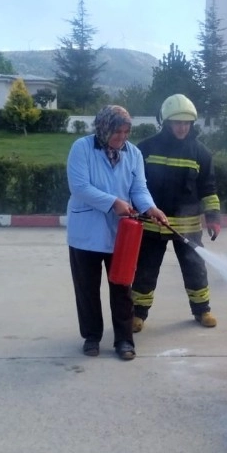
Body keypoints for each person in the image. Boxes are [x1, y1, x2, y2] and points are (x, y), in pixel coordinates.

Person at [66, 105, 168, 361]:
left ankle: (124, 339)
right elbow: (79, 187)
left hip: (121, 235)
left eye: (126, 131)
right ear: (103, 128)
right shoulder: (82, 148)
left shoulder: (133, 153)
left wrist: (151, 208)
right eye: (116, 131)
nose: (121, 137)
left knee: (122, 287)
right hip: (85, 233)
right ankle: (91, 337)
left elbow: (139, 189)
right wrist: (113, 202)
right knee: (87, 288)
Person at [131, 94, 221, 332]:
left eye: (186, 123)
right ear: (166, 122)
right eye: (177, 122)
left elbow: (208, 189)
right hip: (152, 224)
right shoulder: (146, 148)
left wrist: (213, 218)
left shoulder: (201, 153)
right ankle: (137, 314)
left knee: (195, 269)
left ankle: (202, 310)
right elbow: (133, 184)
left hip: (187, 225)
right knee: (145, 270)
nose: (182, 127)